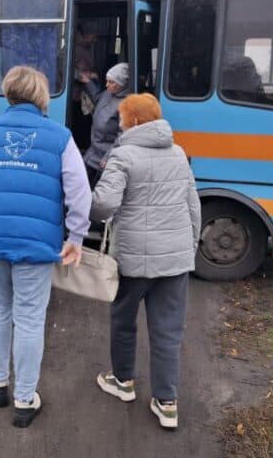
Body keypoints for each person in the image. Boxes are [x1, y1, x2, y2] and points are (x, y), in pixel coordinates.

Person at [0, 66, 91, 428]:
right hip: (37, 241)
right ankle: (25, 400)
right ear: (41, 97)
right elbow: (79, 192)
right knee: (29, 317)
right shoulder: (60, 136)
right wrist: (75, 238)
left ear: (8, 93)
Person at [90, 93, 200, 430]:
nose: (119, 123)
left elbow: (103, 206)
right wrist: (189, 248)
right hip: (175, 260)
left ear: (135, 121)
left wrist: (84, 205)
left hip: (133, 260)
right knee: (168, 330)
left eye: (122, 117)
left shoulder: (123, 155)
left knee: (124, 320)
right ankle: (167, 403)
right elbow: (193, 205)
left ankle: (123, 382)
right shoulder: (178, 153)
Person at [79, 62, 130, 184]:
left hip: (105, 153)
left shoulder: (127, 104)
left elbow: (123, 135)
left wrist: (109, 156)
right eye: (107, 81)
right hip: (94, 148)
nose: (107, 85)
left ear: (122, 84)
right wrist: (88, 82)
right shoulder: (109, 93)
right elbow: (98, 98)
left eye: (111, 82)